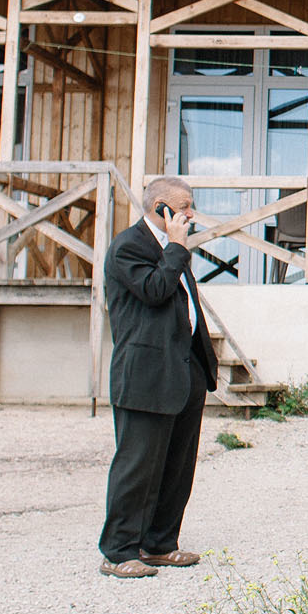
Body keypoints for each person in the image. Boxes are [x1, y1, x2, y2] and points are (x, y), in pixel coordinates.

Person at [97, 175, 218, 578]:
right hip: (146, 374)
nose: (190, 214)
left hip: (183, 372)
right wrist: (177, 249)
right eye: (184, 206)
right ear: (161, 208)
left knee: (176, 465)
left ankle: (160, 544)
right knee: (138, 465)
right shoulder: (129, 246)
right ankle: (118, 551)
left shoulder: (171, 250)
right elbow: (153, 290)